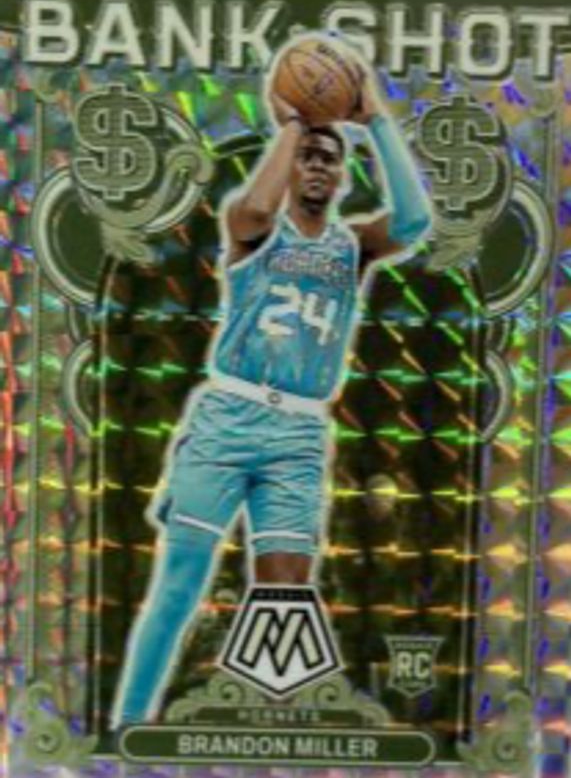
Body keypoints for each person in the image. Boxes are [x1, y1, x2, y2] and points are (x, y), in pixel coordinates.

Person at [111, 53, 432, 728]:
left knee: (285, 595)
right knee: (179, 585)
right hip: (229, 415)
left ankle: (259, 729)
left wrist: (374, 118)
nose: (316, 165)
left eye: (328, 158)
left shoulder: (353, 247)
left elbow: (412, 222)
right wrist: (291, 123)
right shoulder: (251, 227)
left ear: (342, 177)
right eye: (307, 156)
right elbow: (258, 203)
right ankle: (128, 726)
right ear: (290, 166)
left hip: (299, 433)